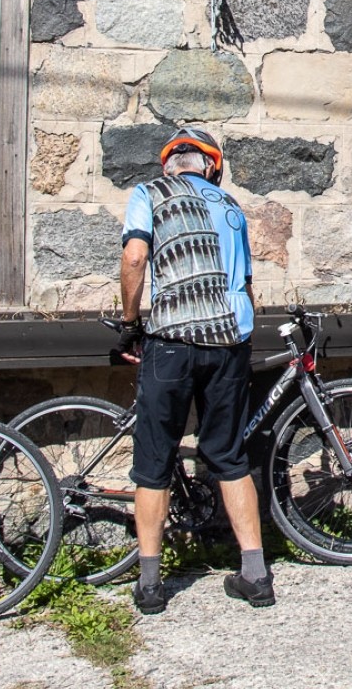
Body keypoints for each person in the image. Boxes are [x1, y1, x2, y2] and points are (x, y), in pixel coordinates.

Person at [115, 127, 269, 614]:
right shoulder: (232, 208)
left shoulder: (148, 193)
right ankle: (255, 574)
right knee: (228, 455)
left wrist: (128, 322)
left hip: (172, 341)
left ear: (169, 164)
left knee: (155, 460)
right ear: (212, 165)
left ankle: (152, 585)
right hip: (229, 342)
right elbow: (245, 284)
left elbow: (135, 256)